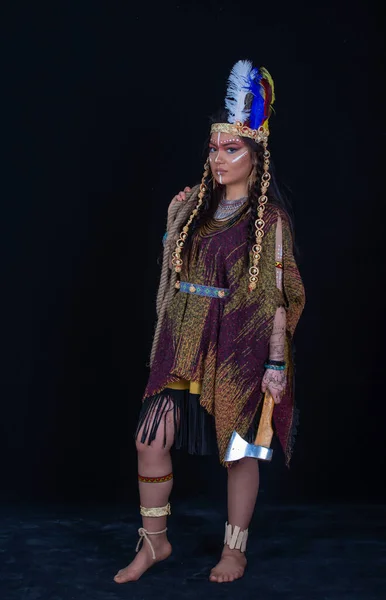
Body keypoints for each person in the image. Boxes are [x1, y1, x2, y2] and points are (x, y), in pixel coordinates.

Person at [114, 59, 305, 584]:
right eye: (215, 148)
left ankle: (235, 550)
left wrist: (275, 360)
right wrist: (172, 225)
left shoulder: (270, 223)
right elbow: (175, 270)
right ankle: (155, 543)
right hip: (182, 333)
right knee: (149, 439)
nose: (219, 159)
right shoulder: (194, 205)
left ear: (255, 155)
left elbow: (279, 297)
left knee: (239, 446)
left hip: (236, 342)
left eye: (232, 149)